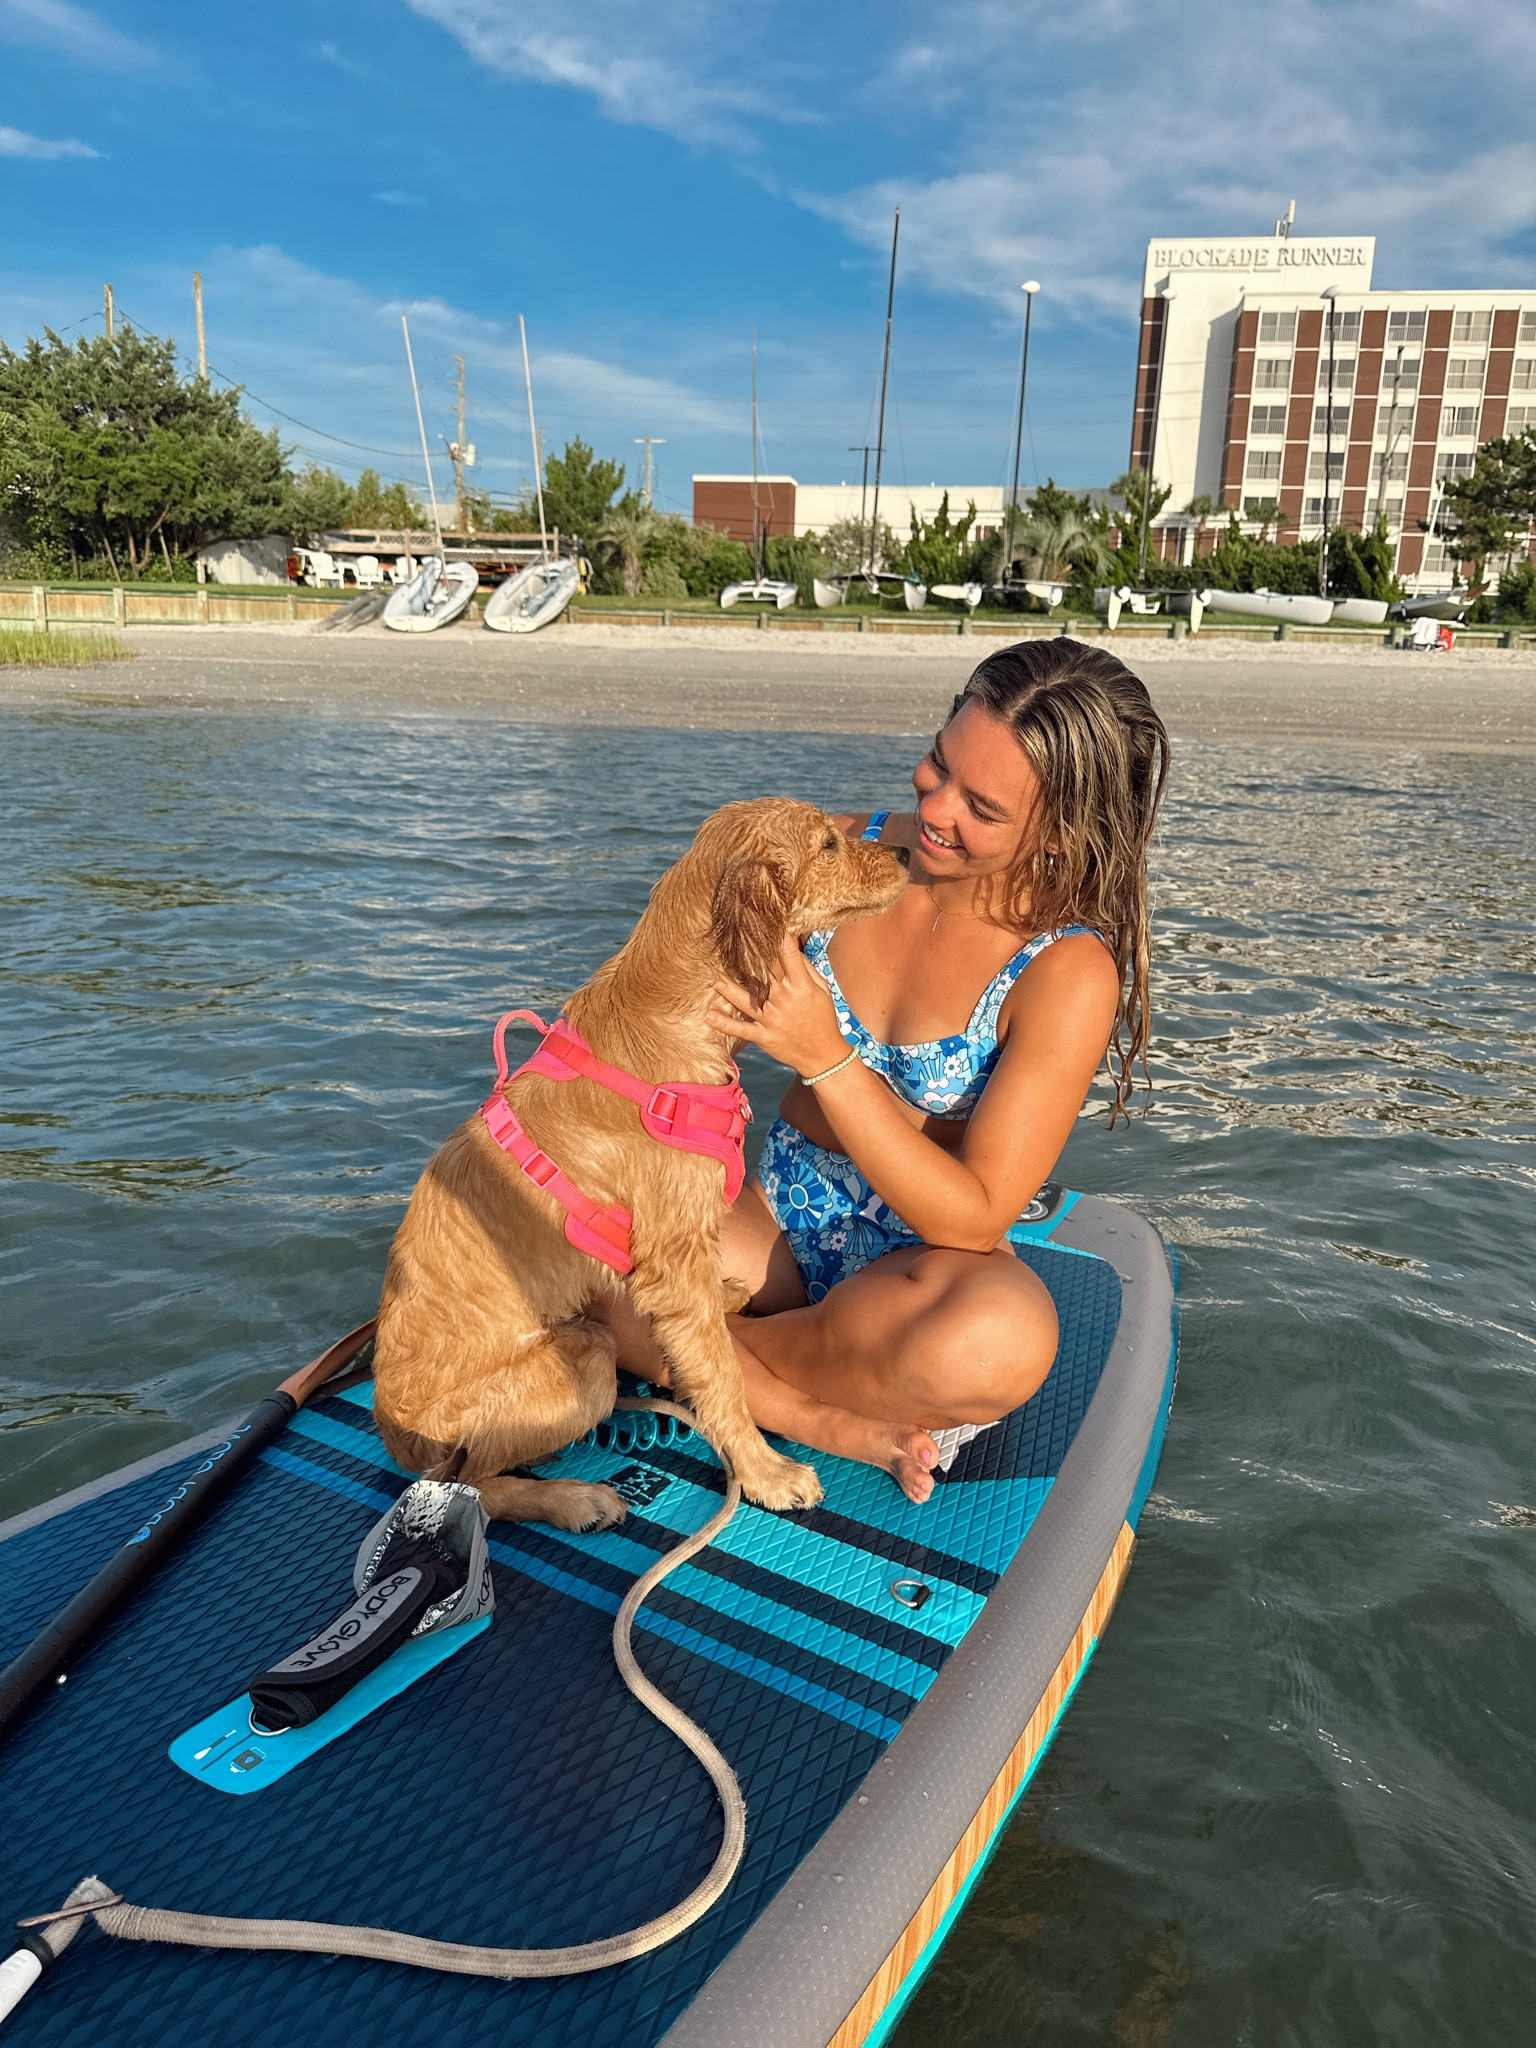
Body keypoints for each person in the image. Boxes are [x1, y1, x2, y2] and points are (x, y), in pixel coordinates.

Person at [608, 636, 1168, 1503]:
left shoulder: (1066, 970)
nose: (935, 809)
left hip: (920, 1272)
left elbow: (977, 1217)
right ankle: (823, 1416)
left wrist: (826, 1058)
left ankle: (689, 1354)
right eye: (937, 766)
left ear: (1058, 836)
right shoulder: (845, 856)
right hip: (779, 1226)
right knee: (590, 1243)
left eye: (981, 806)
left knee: (1002, 1341)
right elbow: (672, 999)